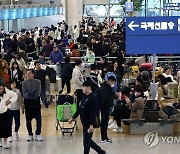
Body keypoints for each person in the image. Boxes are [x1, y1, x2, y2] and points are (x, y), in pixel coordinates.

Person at [68, 81, 106, 154]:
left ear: (89, 87)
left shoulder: (93, 98)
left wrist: (92, 125)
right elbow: (80, 109)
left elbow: (93, 112)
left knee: (86, 142)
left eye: (84, 87)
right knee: (87, 140)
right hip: (84, 122)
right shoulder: (84, 96)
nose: (83, 89)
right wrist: (73, 118)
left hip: (90, 123)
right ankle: (100, 151)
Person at [22, 69, 43, 141]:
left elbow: (38, 92)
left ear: (33, 74)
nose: (28, 75)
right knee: (28, 120)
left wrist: (33, 96)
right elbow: (24, 93)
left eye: (29, 73)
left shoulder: (38, 82)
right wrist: (30, 97)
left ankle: (38, 133)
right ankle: (30, 134)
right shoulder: (24, 83)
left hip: (36, 103)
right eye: (27, 74)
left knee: (39, 119)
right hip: (28, 103)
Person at [97, 76, 117, 143]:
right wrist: (113, 96)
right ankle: (103, 137)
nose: (113, 84)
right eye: (113, 82)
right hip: (104, 107)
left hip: (106, 107)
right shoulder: (104, 89)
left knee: (105, 122)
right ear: (110, 81)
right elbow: (105, 99)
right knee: (104, 122)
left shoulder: (107, 88)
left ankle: (105, 137)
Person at [0, 83, 17, 149]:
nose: (1, 90)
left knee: (5, 127)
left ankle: (5, 142)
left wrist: (10, 101)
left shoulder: (7, 92)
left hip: (5, 112)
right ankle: (0, 141)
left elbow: (15, 96)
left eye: (2, 89)